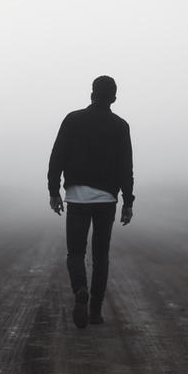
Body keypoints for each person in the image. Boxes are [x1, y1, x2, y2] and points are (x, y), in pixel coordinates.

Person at [48, 75, 135, 328]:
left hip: (77, 197)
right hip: (106, 200)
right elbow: (125, 167)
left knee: (75, 252)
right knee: (101, 256)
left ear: (91, 94)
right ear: (114, 98)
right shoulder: (121, 126)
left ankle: (79, 291)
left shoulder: (73, 120)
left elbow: (57, 157)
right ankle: (95, 311)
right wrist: (127, 201)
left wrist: (54, 191)